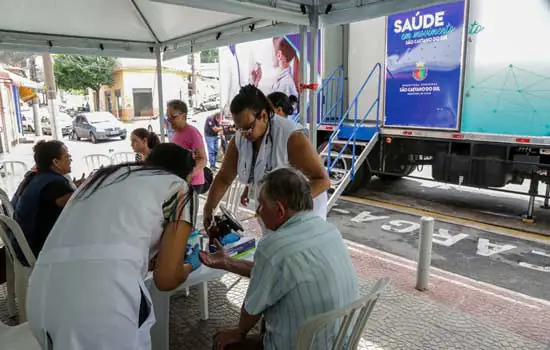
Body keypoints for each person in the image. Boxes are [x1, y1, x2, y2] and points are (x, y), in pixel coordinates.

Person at [26, 143, 202, 350]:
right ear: (185, 174)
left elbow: (107, 237)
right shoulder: (178, 188)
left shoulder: (103, 177)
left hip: (42, 298)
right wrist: (190, 264)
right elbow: (166, 279)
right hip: (104, 305)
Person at [201, 168, 358, 350]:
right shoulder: (329, 230)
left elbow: (252, 309)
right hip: (340, 342)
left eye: (261, 204)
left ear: (280, 210)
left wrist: (238, 332)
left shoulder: (273, 246)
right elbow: (273, 272)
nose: (258, 211)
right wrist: (228, 262)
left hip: (302, 345)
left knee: (222, 343)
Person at [203, 84, 330, 226]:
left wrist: (287, 209)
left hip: (301, 217)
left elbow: (322, 181)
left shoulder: (291, 137)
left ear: (263, 116)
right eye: (239, 129)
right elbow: (224, 178)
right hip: (272, 216)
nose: (244, 134)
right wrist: (208, 210)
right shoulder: (240, 138)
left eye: (248, 128)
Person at [12, 140, 84, 264]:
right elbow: (78, 204)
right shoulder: (55, 185)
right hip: (40, 249)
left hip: (23, 245)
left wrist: (75, 186)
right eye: (67, 156)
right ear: (56, 162)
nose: (70, 159)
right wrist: (89, 185)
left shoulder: (36, 177)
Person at [167, 99, 207, 193]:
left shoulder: (192, 133)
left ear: (184, 116)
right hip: (180, 181)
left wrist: (190, 174)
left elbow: (203, 159)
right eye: (168, 117)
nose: (169, 120)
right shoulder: (176, 132)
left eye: (173, 117)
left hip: (193, 183)